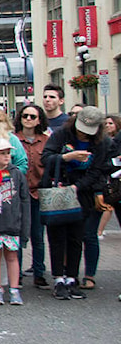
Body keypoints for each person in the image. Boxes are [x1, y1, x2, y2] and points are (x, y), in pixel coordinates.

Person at [41, 106, 109, 300]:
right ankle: (58, 278)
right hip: (58, 190)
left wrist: (77, 187)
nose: (82, 134)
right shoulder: (62, 134)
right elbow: (46, 157)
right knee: (57, 237)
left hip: (82, 193)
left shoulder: (101, 143)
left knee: (76, 238)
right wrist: (66, 157)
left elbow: (98, 171)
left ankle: (72, 277)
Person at [0, 138, 30, 306]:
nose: (6, 156)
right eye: (2, 153)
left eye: (8, 153)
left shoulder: (17, 173)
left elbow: (25, 200)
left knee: (12, 256)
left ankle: (14, 289)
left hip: (12, 222)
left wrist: (25, 225)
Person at [15, 104, 51, 288]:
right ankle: (17, 274)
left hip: (38, 193)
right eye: (25, 116)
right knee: (19, 236)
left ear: (39, 120)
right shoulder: (13, 139)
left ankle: (39, 273)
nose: (28, 119)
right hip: (18, 195)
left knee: (37, 235)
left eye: (32, 116)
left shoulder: (46, 140)